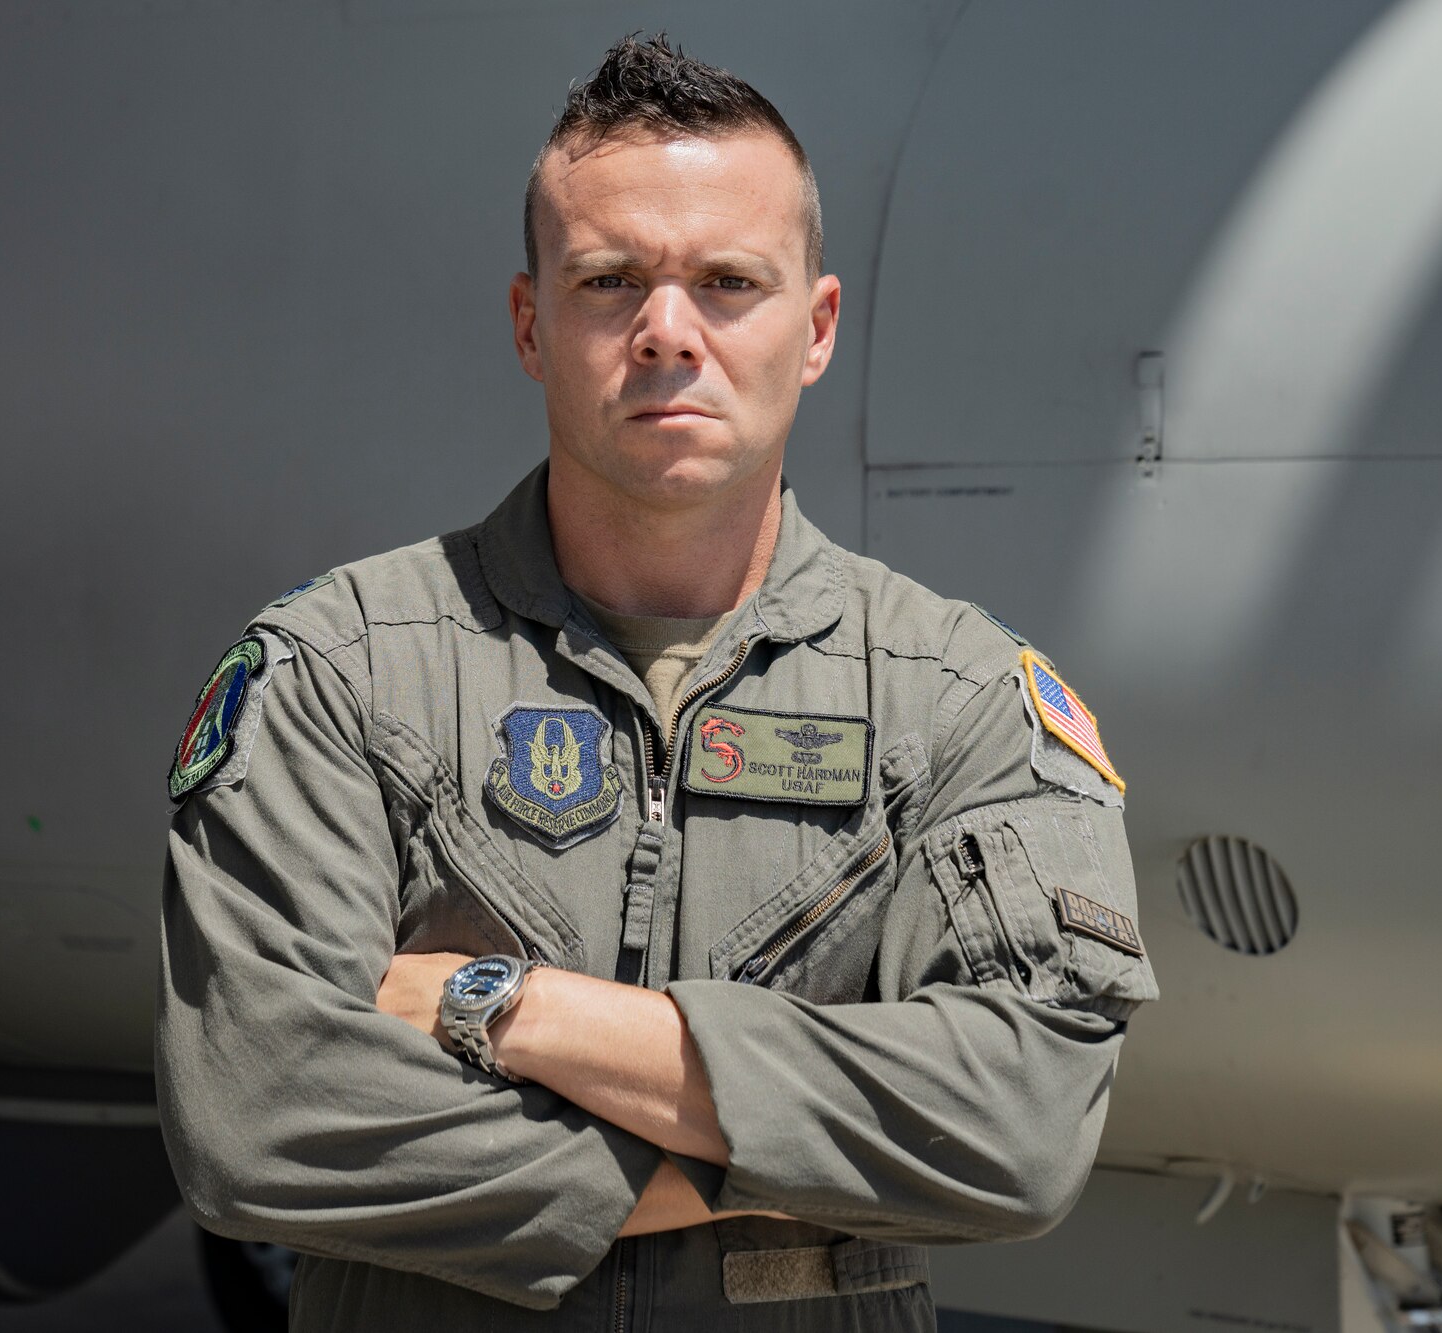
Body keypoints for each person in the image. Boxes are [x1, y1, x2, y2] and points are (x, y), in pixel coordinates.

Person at [156, 32, 1157, 1331]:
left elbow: (1017, 1126)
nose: (667, 333)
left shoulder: (954, 701)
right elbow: (259, 1115)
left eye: (730, 282)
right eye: (610, 280)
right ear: (532, 321)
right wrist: (791, 1154)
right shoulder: (342, 671)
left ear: (817, 326)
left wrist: (501, 1004)